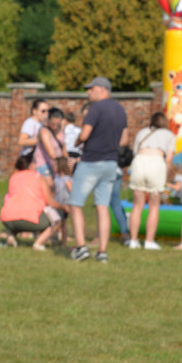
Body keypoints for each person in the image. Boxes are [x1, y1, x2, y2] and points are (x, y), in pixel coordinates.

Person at [68, 77, 128, 263]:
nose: (88, 93)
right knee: (102, 207)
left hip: (91, 162)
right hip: (111, 164)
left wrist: (76, 143)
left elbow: (85, 134)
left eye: (91, 89)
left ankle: (81, 248)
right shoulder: (120, 110)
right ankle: (102, 252)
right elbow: (124, 140)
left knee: (76, 204)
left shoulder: (96, 109)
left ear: (102, 89)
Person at [127, 112, 176, 250]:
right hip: (156, 163)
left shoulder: (142, 132)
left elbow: (135, 152)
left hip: (139, 162)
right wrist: (165, 177)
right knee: (154, 206)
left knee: (137, 205)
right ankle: (149, 241)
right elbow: (169, 158)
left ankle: (133, 240)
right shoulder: (169, 135)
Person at [0, 155, 64, 250]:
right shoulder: (38, 177)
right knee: (57, 217)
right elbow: (50, 202)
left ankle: (11, 236)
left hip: (7, 220)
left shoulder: (13, 177)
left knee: (18, 211)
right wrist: (64, 207)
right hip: (30, 219)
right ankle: (39, 243)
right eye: (34, 162)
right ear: (30, 165)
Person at [33, 106, 65, 182]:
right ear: (48, 120)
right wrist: (57, 163)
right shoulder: (44, 131)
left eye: (57, 124)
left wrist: (66, 164)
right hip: (43, 164)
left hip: (57, 164)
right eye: (53, 124)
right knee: (50, 187)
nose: (55, 127)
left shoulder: (61, 130)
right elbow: (51, 152)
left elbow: (64, 148)